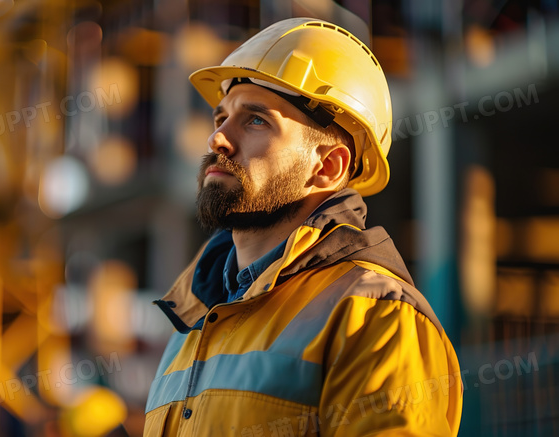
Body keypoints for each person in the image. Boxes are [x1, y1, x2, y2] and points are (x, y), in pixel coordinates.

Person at [144, 18, 463, 436]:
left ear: (327, 168)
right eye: (221, 117)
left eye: (256, 120)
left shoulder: (375, 319)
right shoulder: (191, 323)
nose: (217, 138)